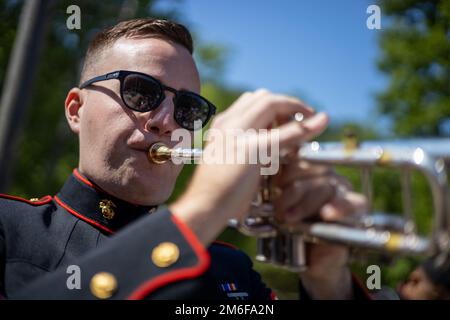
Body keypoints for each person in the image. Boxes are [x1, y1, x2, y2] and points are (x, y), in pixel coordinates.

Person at [0, 18, 369, 300]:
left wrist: (327, 283)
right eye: (141, 93)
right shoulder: (8, 226)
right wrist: (203, 211)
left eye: (188, 109)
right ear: (76, 110)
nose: (167, 123)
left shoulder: (231, 269)